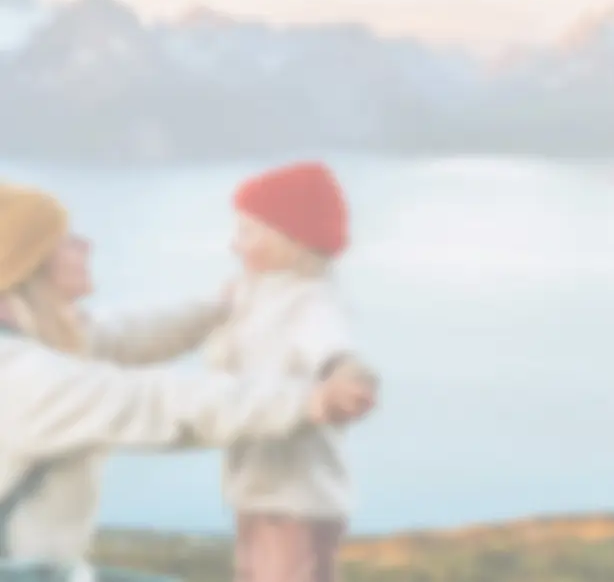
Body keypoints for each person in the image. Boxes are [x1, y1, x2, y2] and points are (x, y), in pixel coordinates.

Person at [0, 183, 376, 582]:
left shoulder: (35, 344)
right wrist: (308, 401)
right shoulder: (21, 375)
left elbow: (125, 334)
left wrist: (217, 311)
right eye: (65, 241)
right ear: (27, 261)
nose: (86, 245)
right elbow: (158, 403)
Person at [205, 161, 378, 582]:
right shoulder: (257, 291)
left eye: (247, 232)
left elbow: (330, 344)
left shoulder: (311, 300)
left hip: (295, 499)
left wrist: (345, 373)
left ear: (289, 239)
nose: (234, 244)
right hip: (259, 488)